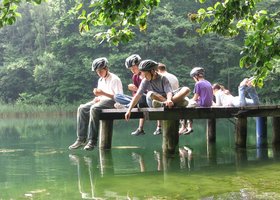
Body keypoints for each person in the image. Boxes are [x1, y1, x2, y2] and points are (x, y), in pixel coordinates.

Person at [69, 57, 123, 151]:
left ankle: (92, 141)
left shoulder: (115, 79)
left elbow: (120, 98)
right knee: (82, 108)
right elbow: (101, 96)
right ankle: (81, 139)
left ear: (106, 68)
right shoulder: (100, 80)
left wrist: (102, 94)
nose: (98, 73)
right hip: (102, 101)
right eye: (97, 71)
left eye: (100, 71)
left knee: (94, 109)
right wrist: (97, 98)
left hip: (113, 102)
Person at [124, 59, 190, 122]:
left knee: (186, 89)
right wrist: (129, 110)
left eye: (145, 73)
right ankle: (174, 103)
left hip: (166, 98)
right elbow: (137, 95)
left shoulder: (163, 78)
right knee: (150, 93)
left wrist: (169, 100)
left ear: (152, 71)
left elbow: (169, 91)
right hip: (154, 100)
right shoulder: (145, 81)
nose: (144, 76)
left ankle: (166, 104)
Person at [114, 54, 148, 136]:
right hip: (137, 100)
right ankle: (130, 105)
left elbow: (151, 93)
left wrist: (137, 90)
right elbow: (135, 95)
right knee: (117, 96)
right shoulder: (135, 77)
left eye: (134, 68)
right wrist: (133, 90)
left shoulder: (147, 75)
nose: (132, 70)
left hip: (146, 99)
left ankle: (126, 107)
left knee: (141, 97)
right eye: (130, 69)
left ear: (139, 65)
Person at [179, 67, 213, 135]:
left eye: (193, 77)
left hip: (202, 104)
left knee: (184, 106)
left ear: (196, 76)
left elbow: (195, 97)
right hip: (209, 104)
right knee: (190, 106)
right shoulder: (208, 83)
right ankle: (189, 127)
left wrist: (190, 100)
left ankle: (183, 127)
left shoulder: (198, 84)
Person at [154, 63, 180, 135]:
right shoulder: (174, 77)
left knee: (157, 101)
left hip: (165, 101)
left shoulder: (160, 77)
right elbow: (177, 89)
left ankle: (159, 127)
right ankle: (179, 127)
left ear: (158, 70)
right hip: (176, 100)